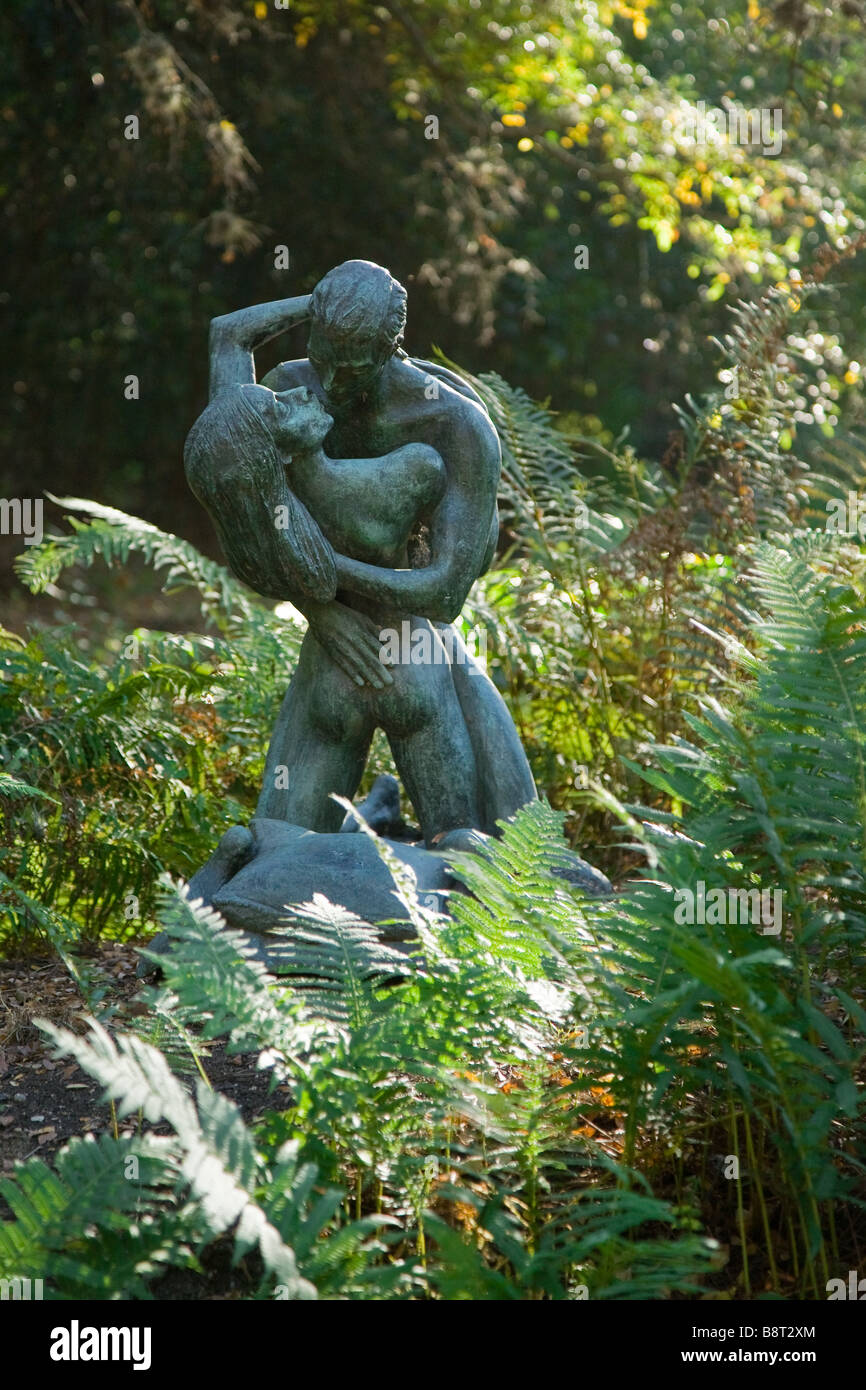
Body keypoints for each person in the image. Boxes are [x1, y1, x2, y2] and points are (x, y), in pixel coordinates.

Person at [199, 262, 536, 837]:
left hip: (411, 645)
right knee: (279, 850)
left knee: (467, 864)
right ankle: (379, 822)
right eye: (322, 354)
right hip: (341, 645)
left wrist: (326, 578)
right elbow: (252, 528)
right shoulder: (285, 392)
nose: (327, 385)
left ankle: (383, 823)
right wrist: (323, 612)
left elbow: (447, 593)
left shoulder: (455, 424)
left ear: (389, 349)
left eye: (351, 366)